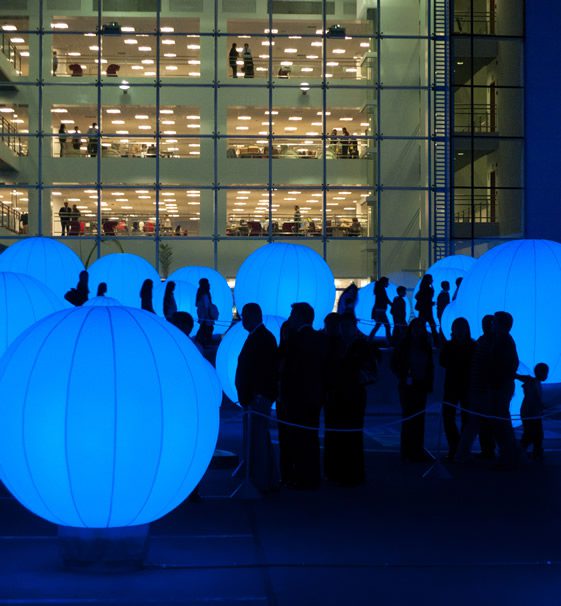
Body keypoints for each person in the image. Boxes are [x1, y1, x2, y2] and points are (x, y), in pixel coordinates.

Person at [324, 313, 377, 485]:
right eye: (342, 326)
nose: (345, 329)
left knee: (352, 434)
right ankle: (335, 471)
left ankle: (352, 472)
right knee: (335, 434)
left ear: (354, 327)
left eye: (348, 326)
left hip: (353, 395)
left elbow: (370, 371)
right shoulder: (335, 344)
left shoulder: (360, 346)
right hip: (336, 395)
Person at [278, 302, 326, 489]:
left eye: (292, 315)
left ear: (299, 317)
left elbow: (285, 366)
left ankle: (299, 477)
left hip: (296, 397)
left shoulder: (295, 339)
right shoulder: (319, 339)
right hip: (314, 397)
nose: (289, 319)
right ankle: (311, 476)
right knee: (311, 438)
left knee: (297, 439)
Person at [235, 303, 279, 493]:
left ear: (253, 316)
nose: (242, 319)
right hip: (254, 396)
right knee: (258, 439)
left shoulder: (262, 338)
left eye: (244, 316)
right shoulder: (261, 337)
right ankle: (261, 476)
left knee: (258, 440)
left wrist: (256, 394)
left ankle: (261, 480)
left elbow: (263, 370)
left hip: (257, 397)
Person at [391, 317, 434, 462]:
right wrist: (403, 376)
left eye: (421, 328)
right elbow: (395, 363)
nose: (418, 331)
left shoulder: (425, 345)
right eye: (416, 328)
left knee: (418, 418)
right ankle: (408, 450)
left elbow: (430, 366)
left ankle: (416, 449)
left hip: (420, 384)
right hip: (408, 385)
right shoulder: (405, 345)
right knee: (409, 417)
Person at [455, 314, 496, 461]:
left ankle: (482, 451)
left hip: (481, 389)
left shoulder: (482, 342)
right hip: (481, 389)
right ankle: (487, 451)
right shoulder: (485, 342)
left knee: (477, 423)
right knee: (482, 422)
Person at [439, 317, 475, 460]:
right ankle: (456, 446)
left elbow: (443, 362)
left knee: (464, 418)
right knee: (449, 417)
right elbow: (442, 361)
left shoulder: (470, 345)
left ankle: (461, 448)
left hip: (463, 386)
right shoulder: (467, 345)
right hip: (454, 385)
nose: (460, 330)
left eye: (462, 328)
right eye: (457, 328)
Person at [489, 310, 520, 467]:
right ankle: (508, 454)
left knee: (501, 421)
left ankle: (507, 456)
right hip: (502, 385)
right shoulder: (504, 340)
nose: (492, 324)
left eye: (494, 321)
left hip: (501, 386)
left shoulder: (503, 341)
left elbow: (506, 365)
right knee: (501, 420)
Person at [518, 363, 549, 461]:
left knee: (537, 434)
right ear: (540, 372)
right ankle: (519, 452)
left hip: (534, 414)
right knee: (530, 433)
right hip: (530, 414)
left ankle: (536, 452)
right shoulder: (531, 381)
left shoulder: (533, 381)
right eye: (545, 373)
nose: (546, 375)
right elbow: (534, 399)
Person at [414, 273, 439, 345]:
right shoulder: (429, 289)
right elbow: (427, 300)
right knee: (432, 326)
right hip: (428, 310)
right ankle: (436, 342)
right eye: (431, 279)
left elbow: (416, 297)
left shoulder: (422, 288)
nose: (432, 280)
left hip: (422, 310)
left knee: (422, 327)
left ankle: (421, 342)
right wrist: (431, 303)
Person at [369, 276, 391, 345]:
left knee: (378, 326)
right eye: (387, 282)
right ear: (384, 282)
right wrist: (392, 304)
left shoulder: (379, 289)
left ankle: (369, 340)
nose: (388, 284)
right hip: (380, 311)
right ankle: (389, 341)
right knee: (387, 326)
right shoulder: (381, 290)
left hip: (378, 310)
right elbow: (385, 299)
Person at [195, 277, 216, 347]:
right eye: (208, 283)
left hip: (203, 315)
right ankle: (205, 342)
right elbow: (206, 306)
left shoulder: (200, 293)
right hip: (206, 315)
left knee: (204, 328)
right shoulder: (204, 294)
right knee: (207, 328)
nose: (209, 285)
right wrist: (209, 315)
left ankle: (201, 341)